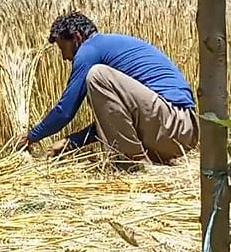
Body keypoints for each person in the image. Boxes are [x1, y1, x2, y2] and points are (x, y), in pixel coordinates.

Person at [16, 11, 197, 164]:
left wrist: (31, 137)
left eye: (63, 48)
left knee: (97, 75)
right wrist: (70, 142)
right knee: (99, 79)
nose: (64, 58)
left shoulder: (89, 49)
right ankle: (144, 163)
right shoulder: (110, 47)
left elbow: (65, 111)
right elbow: (115, 121)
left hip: (173, 123)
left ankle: (134, 167)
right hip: (182, 132)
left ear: (77, 38)